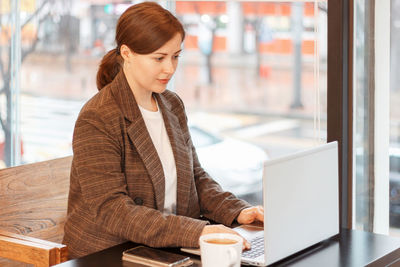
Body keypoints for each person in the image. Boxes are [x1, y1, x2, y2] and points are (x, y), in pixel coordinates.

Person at [63, 1, 264, 258]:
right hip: (109, 252)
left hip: (166, 246)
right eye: (158, 58)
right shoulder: (98, 117)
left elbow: (195, 178)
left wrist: (236, 211)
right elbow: (113, 210)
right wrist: (198, 232)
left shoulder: (171, 104)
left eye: (175, 56)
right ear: (126, 53)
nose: (169, 68)